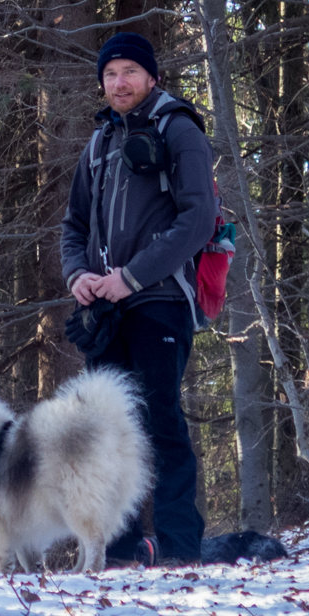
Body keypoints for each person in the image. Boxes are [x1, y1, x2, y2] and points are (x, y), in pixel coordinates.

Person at [59, 32, 216, 566]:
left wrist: (132, 277)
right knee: (106, 432)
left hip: (161, 301)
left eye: (129, 71)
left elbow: (197, 219)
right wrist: (78, 275)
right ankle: (120, 552)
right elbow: (74, 225)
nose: (119, 83)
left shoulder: (179, 129)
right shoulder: (99, 142)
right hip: (103, 308)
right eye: (110, 74)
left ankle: (179, 551)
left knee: (161, 423)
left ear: (152, 77)